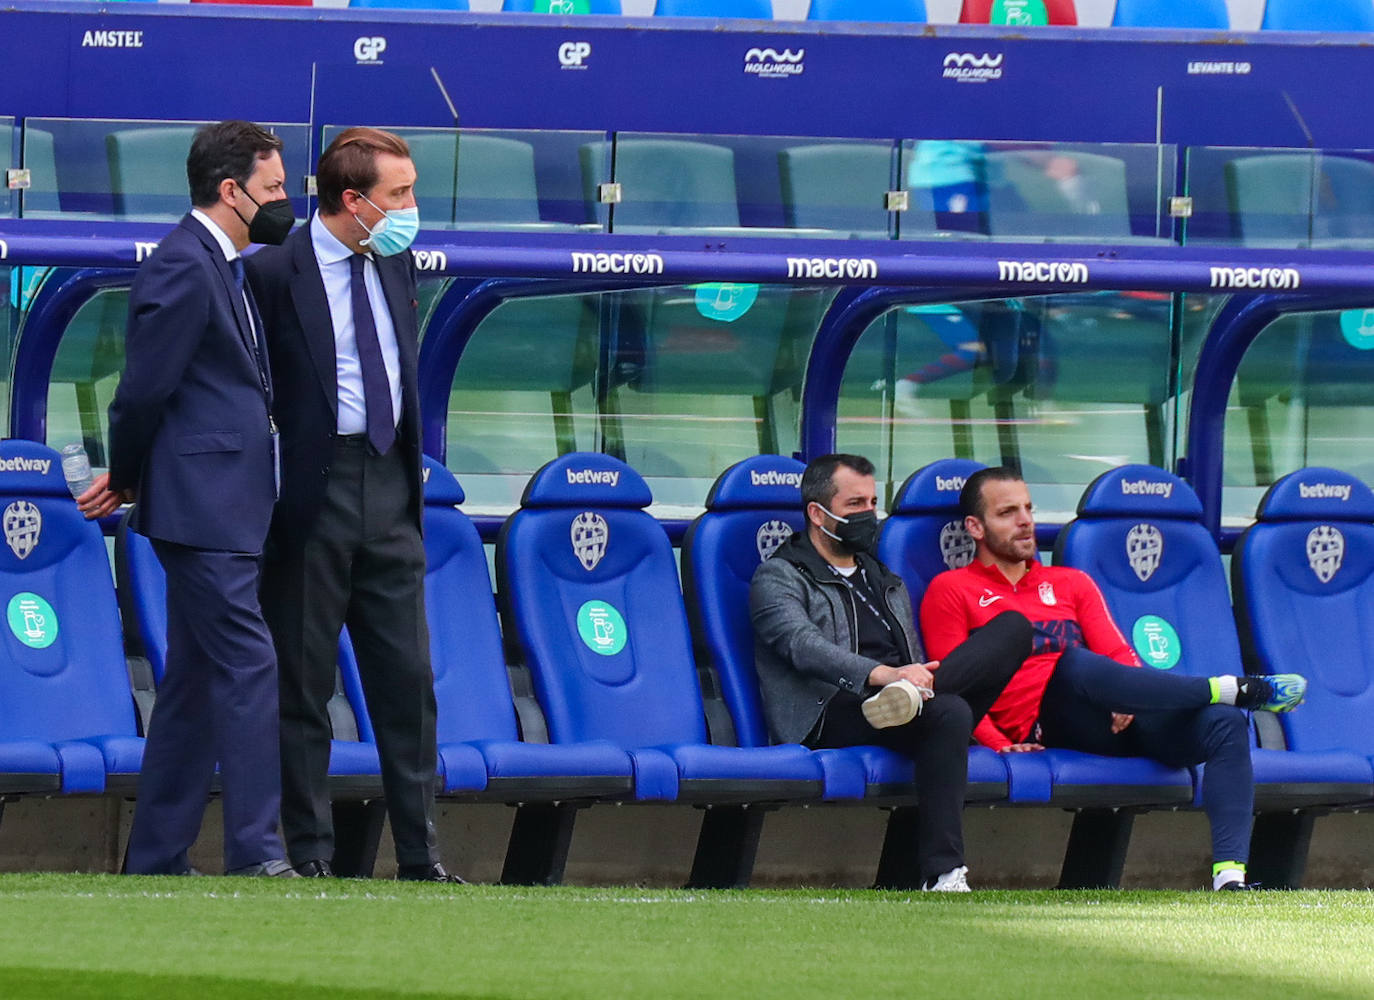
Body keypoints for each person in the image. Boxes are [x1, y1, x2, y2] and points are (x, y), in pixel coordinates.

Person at [920, 466, 1309, 891]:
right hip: (1046, 724)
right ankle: (1228, 688)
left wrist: (1127, 696)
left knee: (1224, 722)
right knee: (1074, 663)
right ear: (975, 527)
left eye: (1028, 508)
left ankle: (1230, 879)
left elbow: (1119, 654)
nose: (1026, 520)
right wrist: (997, 742)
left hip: (1115, 715)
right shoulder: (951, 589)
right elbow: (952, 683)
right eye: (1008, 512)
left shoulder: (1071, 583)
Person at [80, 120, 298, 876]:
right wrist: (129, 472)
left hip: (229, 501)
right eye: (273, 188)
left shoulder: (225, 265)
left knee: (196, 683)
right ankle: (258, 854)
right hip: (201, 504)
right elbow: (142, 389)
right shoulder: (183, 265)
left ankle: (155, 857)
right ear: (230, 190)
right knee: (249, 664)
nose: (284, 201)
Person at [245, 127, 459, 882]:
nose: (412, 207)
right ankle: (310, 854)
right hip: (314, 492)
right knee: (303, 682)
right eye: (399, 194)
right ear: (352, 200)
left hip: (393, 490)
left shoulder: (395, 260)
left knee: (409, 682)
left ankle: (422, 856)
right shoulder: (274, 270)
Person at [750, 454, 1031, 891]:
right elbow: (802, 646)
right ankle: (944, 872)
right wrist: (884, 675)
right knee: (949, 714)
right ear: (816, 512)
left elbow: (911, 652)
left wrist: (918, 680)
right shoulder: (780, 575)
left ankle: (915, 702)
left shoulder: (883, 577)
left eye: (873, 502)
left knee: (1012, 629)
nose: (868, 514)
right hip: (831, 710)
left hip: (904, 699)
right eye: (855, 504)